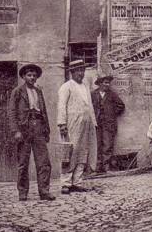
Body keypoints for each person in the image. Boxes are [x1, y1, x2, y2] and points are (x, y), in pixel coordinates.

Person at [8, 63, 54, 201]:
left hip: (38, 127)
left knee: (44, 162)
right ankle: (23, 192)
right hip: (24, 128)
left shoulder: (39, 91)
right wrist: (16, 130)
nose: (32, 77)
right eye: (29, 75)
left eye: (34, 75)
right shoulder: (17, 91)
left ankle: (44, 191)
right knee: (23, 162)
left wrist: (46, 130)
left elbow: (44, 111)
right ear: (23, 76)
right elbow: (11, 112)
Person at [57, 59, 98, 193]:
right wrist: (62, 124)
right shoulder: (66, 87)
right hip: (72, 123)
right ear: (72, 72)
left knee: (83, 151)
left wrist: (93, 122)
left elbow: (89, 105)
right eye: (78, 71)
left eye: (82, 70)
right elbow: (61, 106)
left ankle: (77, 181)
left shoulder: (85, 86)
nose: (81, 73)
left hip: (86, 123)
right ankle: (66, 183)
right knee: (70, 152)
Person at [91, 75, 125, 174]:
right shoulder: (93, 94)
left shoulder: (112, 94)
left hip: (108, 124)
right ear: (100, 83)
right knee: (97, 145)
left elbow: (121, 106)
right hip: (96, 124)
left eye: (108, 83)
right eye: (105, 82)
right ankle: (98, 167)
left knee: (107, 145)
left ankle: (106, 167)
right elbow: (88, 107)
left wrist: (112, 113)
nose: (107, 84)